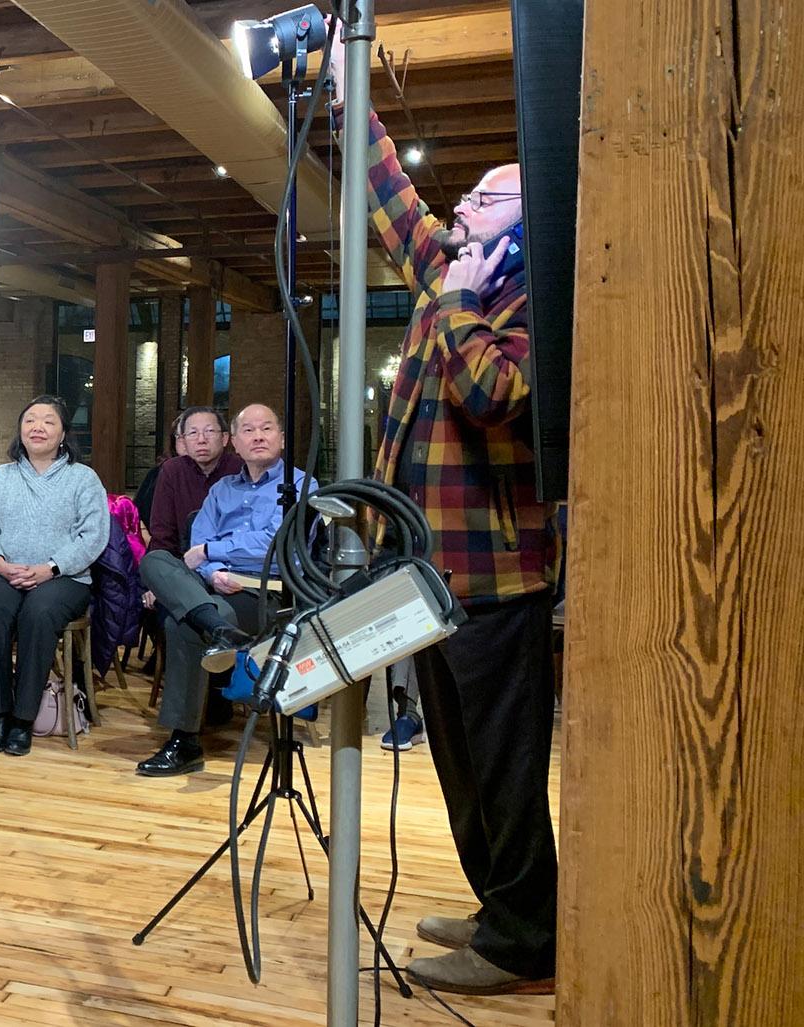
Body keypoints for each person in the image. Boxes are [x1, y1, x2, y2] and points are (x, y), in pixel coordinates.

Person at [328, 29, 559, 996]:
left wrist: (459, 300)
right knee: (460, 765)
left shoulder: (535, 302)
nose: (460, 204)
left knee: (502, 768)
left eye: (485, 196)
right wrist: (349, 91)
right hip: (424, 575)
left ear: (526, 222)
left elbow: (496, 397)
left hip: (499, 583)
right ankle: (505, 903)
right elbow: (391, 199)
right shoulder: (449, 276)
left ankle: (523, 942)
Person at [135, 404, 310, 776]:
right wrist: (213, 573)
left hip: (264, 594)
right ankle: (216, 627)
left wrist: (213, 554)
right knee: (154, 563)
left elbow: (275, 545)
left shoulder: (299, 487)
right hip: (213, 588)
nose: (258, 436)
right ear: (237, 441)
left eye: (266, 429)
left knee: (181, 625)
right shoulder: (223, 490)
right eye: (249, 430)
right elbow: (195, 544)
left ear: (280, 437)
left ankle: (185, 742)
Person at [0, 396, 109, 757]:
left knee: (38, 612)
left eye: (48, 421)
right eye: (30, 420)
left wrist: (51, 568)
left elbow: (93, 537)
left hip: (65, 577)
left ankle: (23, 717)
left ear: (63, 433)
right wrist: (0, 565)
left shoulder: (83, 478)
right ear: (20, 430)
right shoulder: (1, 477)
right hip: (7, 571)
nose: (38, 427)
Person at [145, 406, 244, 558]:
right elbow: (162, 533)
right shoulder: (172, 470)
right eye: (193, 433)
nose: (201, 440)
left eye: (209, 431)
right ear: (183, 441)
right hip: (181, 561)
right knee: (154, 562)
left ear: (225, 439)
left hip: (229, 558)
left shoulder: (241, 468)